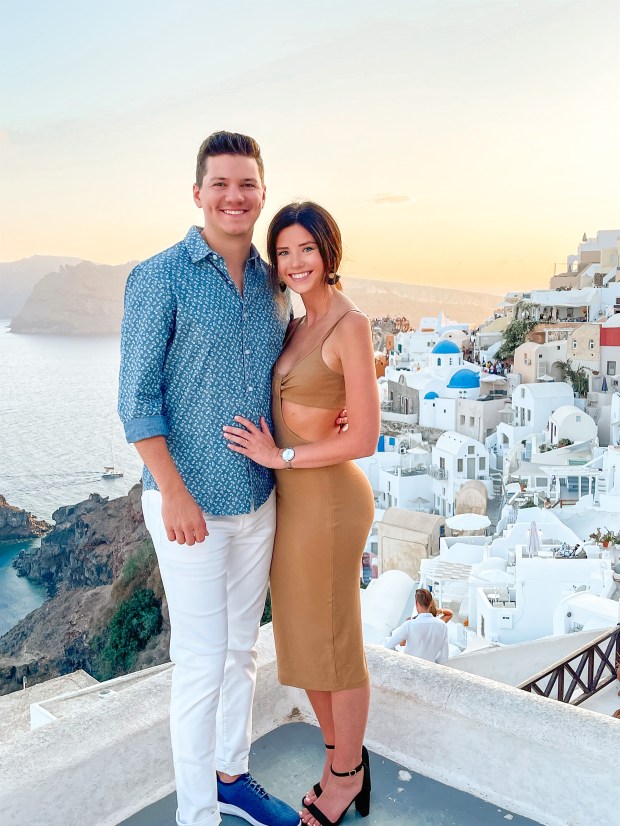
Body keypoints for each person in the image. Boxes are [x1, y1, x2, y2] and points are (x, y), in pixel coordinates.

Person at [118, 132, 306, 826]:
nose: (235, 196)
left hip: (256, 500)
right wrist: (173, 491)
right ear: (198, 192)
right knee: (200, 663)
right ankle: (194, 814)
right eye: (221, 183)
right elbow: (137, 400)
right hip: (188, 504)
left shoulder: (273, 283)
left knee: (241, 651)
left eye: (247, 184)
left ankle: (231, 777)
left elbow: (291, 375)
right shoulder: (159, 277)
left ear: (262, 193)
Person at [222, 202, 380, 826]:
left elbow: (364, 437)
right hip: (293, 504)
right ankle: (342, 759)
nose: (294, 263)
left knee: (336, 643)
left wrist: (279, 455)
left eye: (306, 249)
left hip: (331, 504)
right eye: (283, 252)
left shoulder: (350, 324)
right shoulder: (292, 321)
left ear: (328, 251)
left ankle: (344, 775)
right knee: (303, 641)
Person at [385, 588, 449, 664]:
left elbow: (388, 646)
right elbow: (444, 657)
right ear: (431, 603)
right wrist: (432, 664)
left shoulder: (409, 624)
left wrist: (403, 658)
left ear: (416, 603)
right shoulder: (442, 626)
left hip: (409, 666)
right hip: (430, 668)